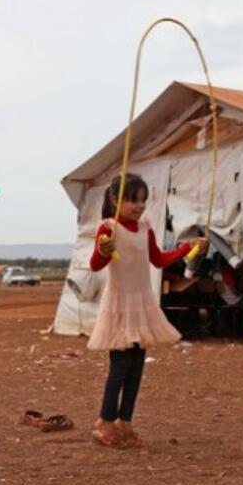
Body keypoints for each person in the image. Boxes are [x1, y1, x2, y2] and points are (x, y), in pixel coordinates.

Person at [88, 173, 204, 448]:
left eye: (143, 200)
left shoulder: (145, 228)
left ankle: (124, 422)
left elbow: (158, 258)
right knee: (119, 367)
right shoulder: (107, 228)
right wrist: (104, 250)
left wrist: (189, 248)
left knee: (137, 366)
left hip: (142, 303)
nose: (139, 205)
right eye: (132, 200)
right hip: (119, 304)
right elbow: (95, 265)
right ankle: (104, 421)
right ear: (115, 199)